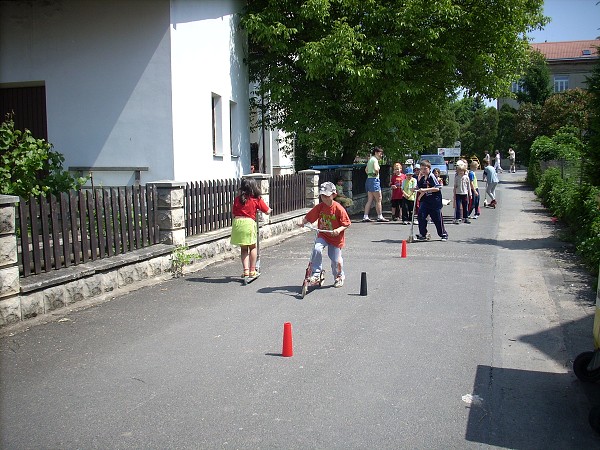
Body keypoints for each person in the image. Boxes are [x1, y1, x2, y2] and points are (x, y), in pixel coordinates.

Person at [299, 182, 351, 288]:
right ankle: (316, 273)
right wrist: (303, 222)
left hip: (336, 238)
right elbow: (310, 216)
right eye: (322, 196)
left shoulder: (338, 208)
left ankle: (339, 276)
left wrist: (338, 229)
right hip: (323, 235)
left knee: (335, 259)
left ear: (333, 195)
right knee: (316, 249)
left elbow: (347, 223)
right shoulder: (320, 207)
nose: (324, 198)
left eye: (327, 196)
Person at [230, 178, 272, 278]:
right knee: (252, 246)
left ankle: (245, 271)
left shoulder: (237, 199)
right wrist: (269, 210)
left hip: (238, 223)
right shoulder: (256, 199)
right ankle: (252, 270)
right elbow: (266, 211)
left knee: (244, 248)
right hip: (248, 223)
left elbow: (233, 213)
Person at [415, 160, 448, 241]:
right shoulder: (422, 178)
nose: (423, 171)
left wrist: (425, 190)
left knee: (437, 219)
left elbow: (437, 188)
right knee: (421, 216)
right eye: (422, 169)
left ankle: (443, 234)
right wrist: (415, 189)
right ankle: (423, 234)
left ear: (429, 168)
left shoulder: (431, 177)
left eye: (425, 169)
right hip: (425, 201)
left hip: (434, 202)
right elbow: (419, 187)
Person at [362, 147, 389, 222]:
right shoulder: (375, 160)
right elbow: (376, 169)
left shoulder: (370, 159)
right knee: (379, 199)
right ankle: (380, 216)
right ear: (376, 153)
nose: (381, 155)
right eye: (380, 153)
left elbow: (366, 170)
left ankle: (365, 216)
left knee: (370, 199)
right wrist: (376, 174)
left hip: (369, 179)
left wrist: (370, 174)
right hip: (374, 180)